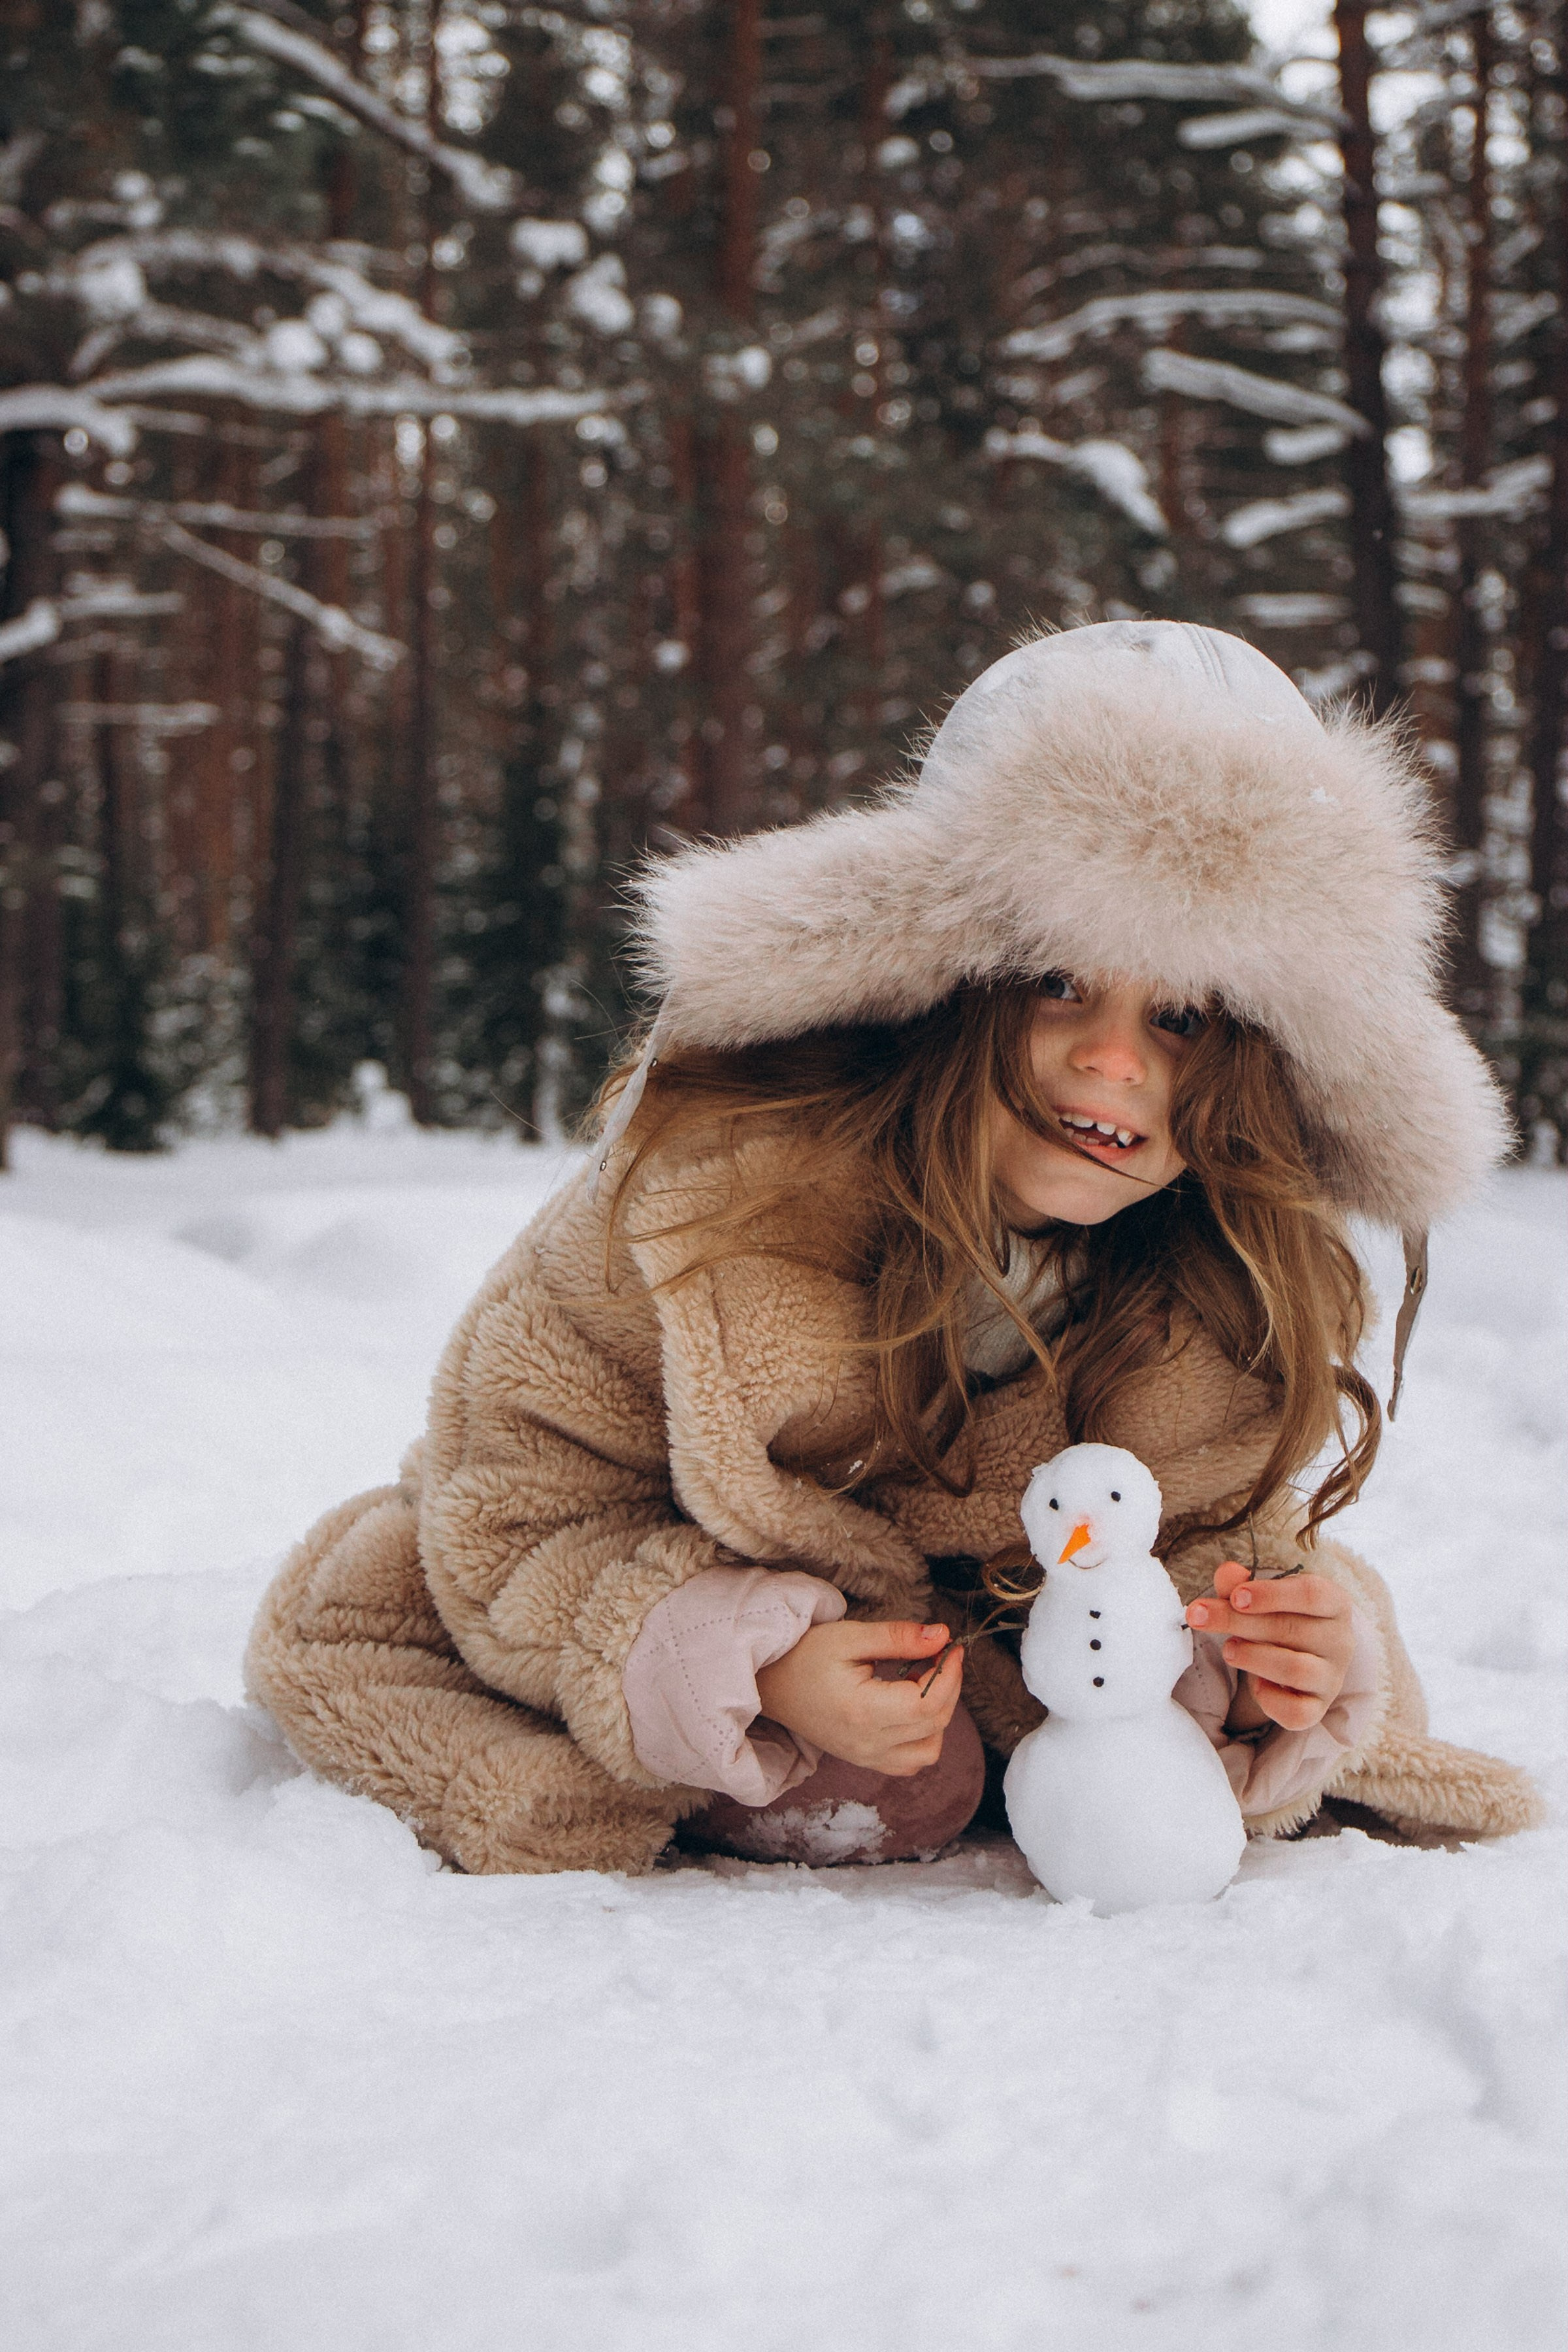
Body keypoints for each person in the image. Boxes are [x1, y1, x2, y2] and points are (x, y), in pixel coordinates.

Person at [247, 621, 1539, 1874]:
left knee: (1174, 1723)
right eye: (1059, 982)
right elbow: (522, 1486)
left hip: (976, 1662)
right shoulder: (725, 1193)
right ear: (956, 978)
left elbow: (1212, 1541)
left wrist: (1253, 1666)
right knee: (900, 1785)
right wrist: (755, 1657)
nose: (1112, 1059)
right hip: (616, 1564)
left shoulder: (1214, 1276)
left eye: (1183, 1016)